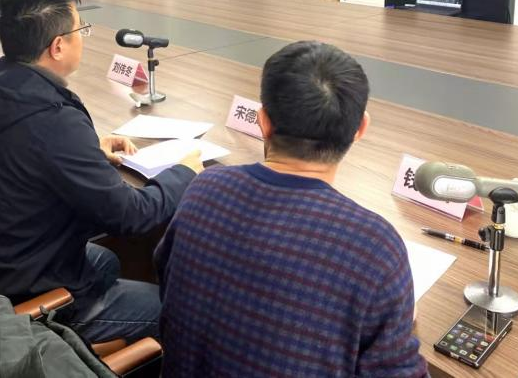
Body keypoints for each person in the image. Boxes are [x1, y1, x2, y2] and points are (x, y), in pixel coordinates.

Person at [0, 0, 201, 344]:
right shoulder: (52, 119)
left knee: (109, 261)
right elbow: (131, 216)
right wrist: (185, 173)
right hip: (20, 302)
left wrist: (87, 150)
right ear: (58, 46)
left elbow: (24, 153)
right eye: (81, 29)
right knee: (182, 309)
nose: (84, 37)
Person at [155, 41, 428, 378]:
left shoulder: (204, 187)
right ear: (360, 128)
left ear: (262, 121)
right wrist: (403, 321)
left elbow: (167, 285)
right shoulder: (374, 247)